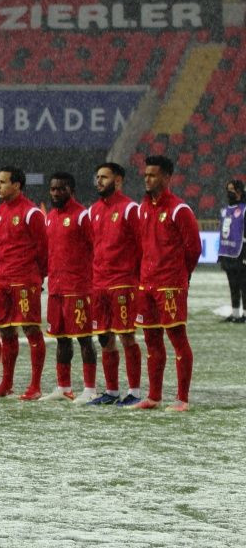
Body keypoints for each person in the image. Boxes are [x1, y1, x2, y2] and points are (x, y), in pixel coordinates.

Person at [133, 155, 201, 411]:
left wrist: (182, 275)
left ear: (167, 177)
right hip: (146, 284)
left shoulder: (179, 209)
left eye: (153, 175)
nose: (148, 179)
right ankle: (154, 396)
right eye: (146, 175)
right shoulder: (143, 207)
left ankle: (182, 399)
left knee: (177, 339)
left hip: (169, 284)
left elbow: (193, 248)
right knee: (151, 340)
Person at [0, 167, 47, 400]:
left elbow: (42, 250)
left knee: (30, 330)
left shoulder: (32, 213)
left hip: (24, 279)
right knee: (6, 332)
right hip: (2, 280)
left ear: (17, 185)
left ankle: (35, 386)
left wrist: (38, 277)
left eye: (3, 182)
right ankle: (6, 384)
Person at [86, 162, 145, 406]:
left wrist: (137, 279)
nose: (99, 181)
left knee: (127, 337)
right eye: (97, 176)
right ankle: (111, 391)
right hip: (99, 284)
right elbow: (92, 246)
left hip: (123, 284)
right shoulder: (93, 211)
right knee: (104, 338)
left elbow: (142, 245)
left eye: (105, 177)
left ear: (118, 181)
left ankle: (135, 391)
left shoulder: (131, 209)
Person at [43, 172, 97, 403]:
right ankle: (63, 387)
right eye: (53, 189)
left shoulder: (82, 216)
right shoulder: (50, 216)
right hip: (56, 288)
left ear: (71, 190)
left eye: (61, 189)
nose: (56, 193)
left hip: (78, 287)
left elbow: (95, 248)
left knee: (84, 338)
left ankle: (90, 389)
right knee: (61, 338)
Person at [218, 178, 246, 322]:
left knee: (244, 286)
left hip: (241, 255)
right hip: (229, 255)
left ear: (239, 192)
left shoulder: (244, 210)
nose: (228, 192)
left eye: (231, 190)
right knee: (233, 285)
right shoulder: (225, 211)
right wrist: (221, 255)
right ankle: (235, 314)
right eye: (227, 189)